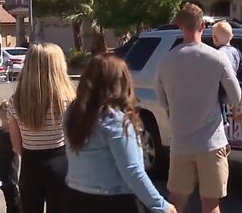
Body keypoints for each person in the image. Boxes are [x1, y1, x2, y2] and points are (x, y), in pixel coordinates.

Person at [155, 3, 242, 213]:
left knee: (175, 202)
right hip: (211, 144)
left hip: (181, 143)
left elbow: (163, 102)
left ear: (179, 26)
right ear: (203, 25)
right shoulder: (217, 58)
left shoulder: (165, 61)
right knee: (211, 204)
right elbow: (236, 96)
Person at [64, 54, 177, 213]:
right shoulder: (115, 120)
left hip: (76, 197)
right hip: (113, 201)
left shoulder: (72, 113)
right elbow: (133, 171)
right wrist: (161, 205)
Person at [7, 42, 76, 213]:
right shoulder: (69, 100)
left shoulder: (16, 101)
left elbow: (16, 146)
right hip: (61, 165)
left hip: (30, 166)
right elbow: (74, 139)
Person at [0, 100, 22, 213]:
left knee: (10, 199)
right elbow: (18, 148)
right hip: (8, 173)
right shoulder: (10, 135)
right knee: (15, 201)